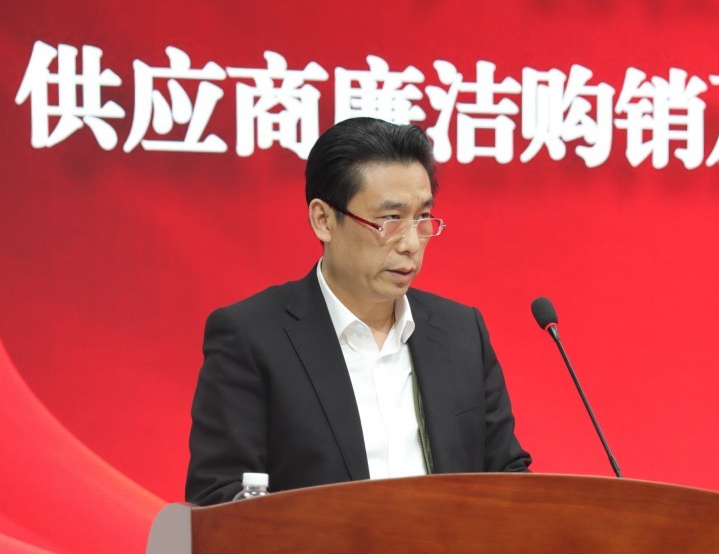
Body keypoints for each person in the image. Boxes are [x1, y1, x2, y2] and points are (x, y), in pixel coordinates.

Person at [186, 117, 530, 505]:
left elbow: (507, 477)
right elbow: (220, 497)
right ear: (323, 220)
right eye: (390, 220)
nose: (411, 244)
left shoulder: (461, 333)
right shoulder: (252, 338)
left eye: (422, 218)